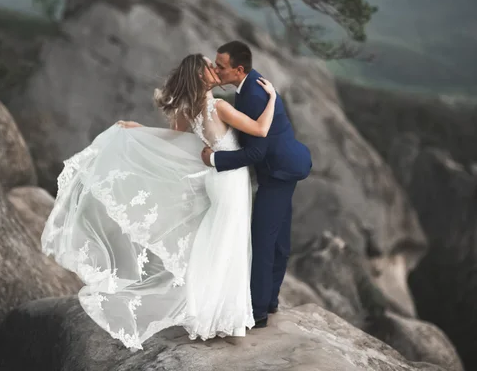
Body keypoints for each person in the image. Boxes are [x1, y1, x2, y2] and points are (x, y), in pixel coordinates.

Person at [41, 53, 278, 350]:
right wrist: (273, 100)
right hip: (228, 181)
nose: (215, 70)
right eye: (209, 66)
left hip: (217, 180)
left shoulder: (191, 109)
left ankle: (213, 314)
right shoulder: (218, 106)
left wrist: (140, 131)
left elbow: (174, 140)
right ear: (201, 74)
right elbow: (260, 130)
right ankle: (224, 319)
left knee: (216, 242)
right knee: (229, 243)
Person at [202, 41, 312, 328]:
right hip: (286, 167)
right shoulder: (252, 84)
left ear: (239, 70)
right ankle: (271, 301)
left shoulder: (251, 95)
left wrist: (215, 159)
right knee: (278, 243)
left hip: (277, 173)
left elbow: (256, 153)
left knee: (263, 243)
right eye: (214, 64)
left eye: (221, 66)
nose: (216, 70)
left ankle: (258, 312)